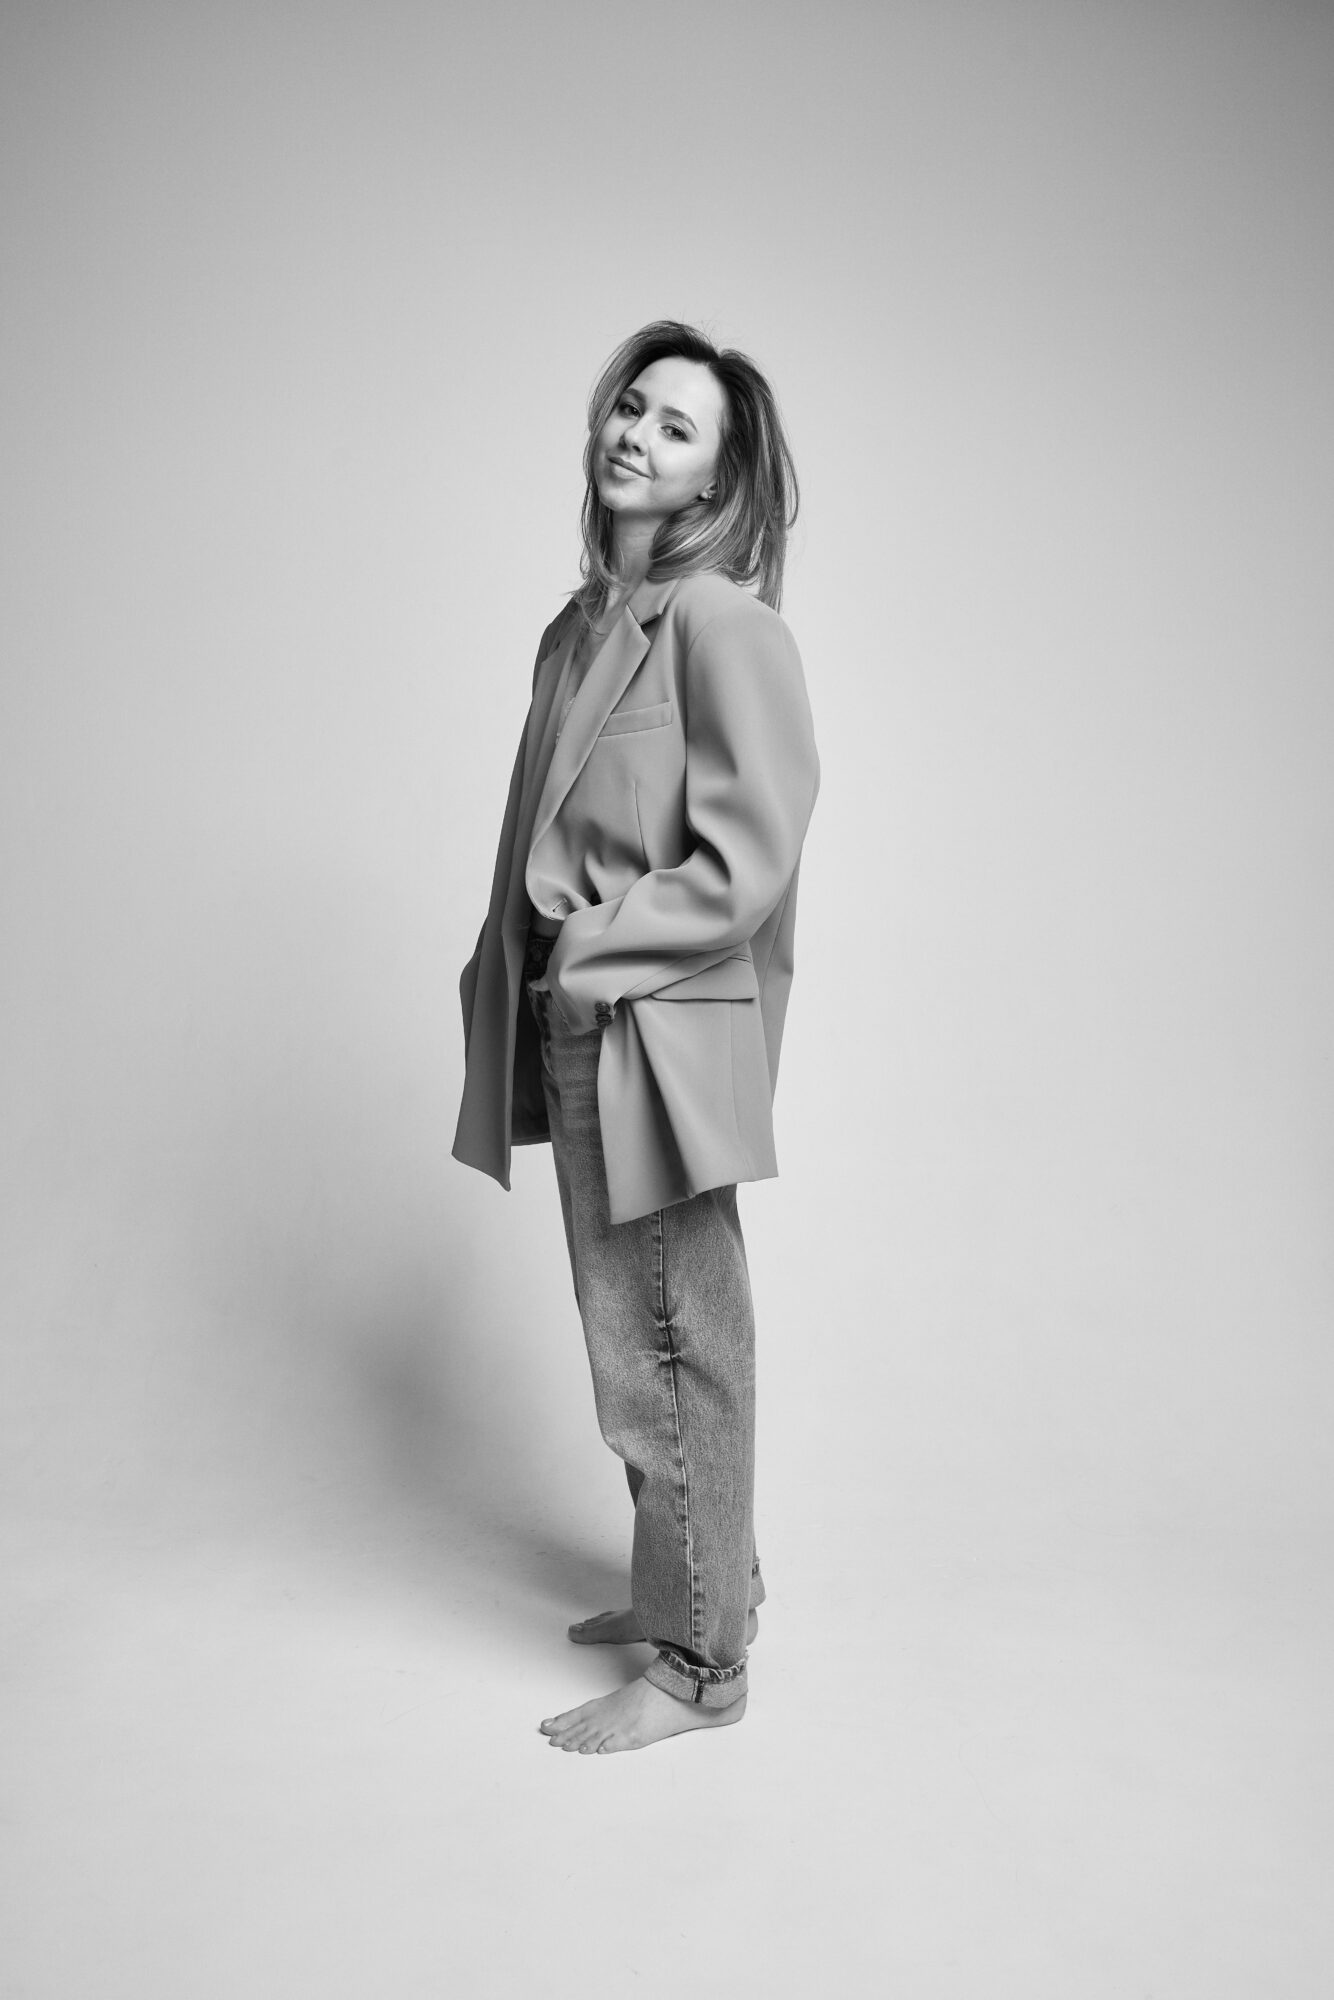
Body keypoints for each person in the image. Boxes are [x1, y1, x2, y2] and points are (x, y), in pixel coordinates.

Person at [452, 321, 819, 1753]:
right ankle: (701, 1583)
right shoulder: (581, 628)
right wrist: (530, 977)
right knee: (630, 1330)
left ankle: (697, 1669)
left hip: (647, 1026)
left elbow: (749, 858)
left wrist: (593, 963)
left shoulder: (723, 625)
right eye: (631, 406)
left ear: (716, 481)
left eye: (676, 428)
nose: (636, 435)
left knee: (673, 1339)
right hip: (576, 1013)